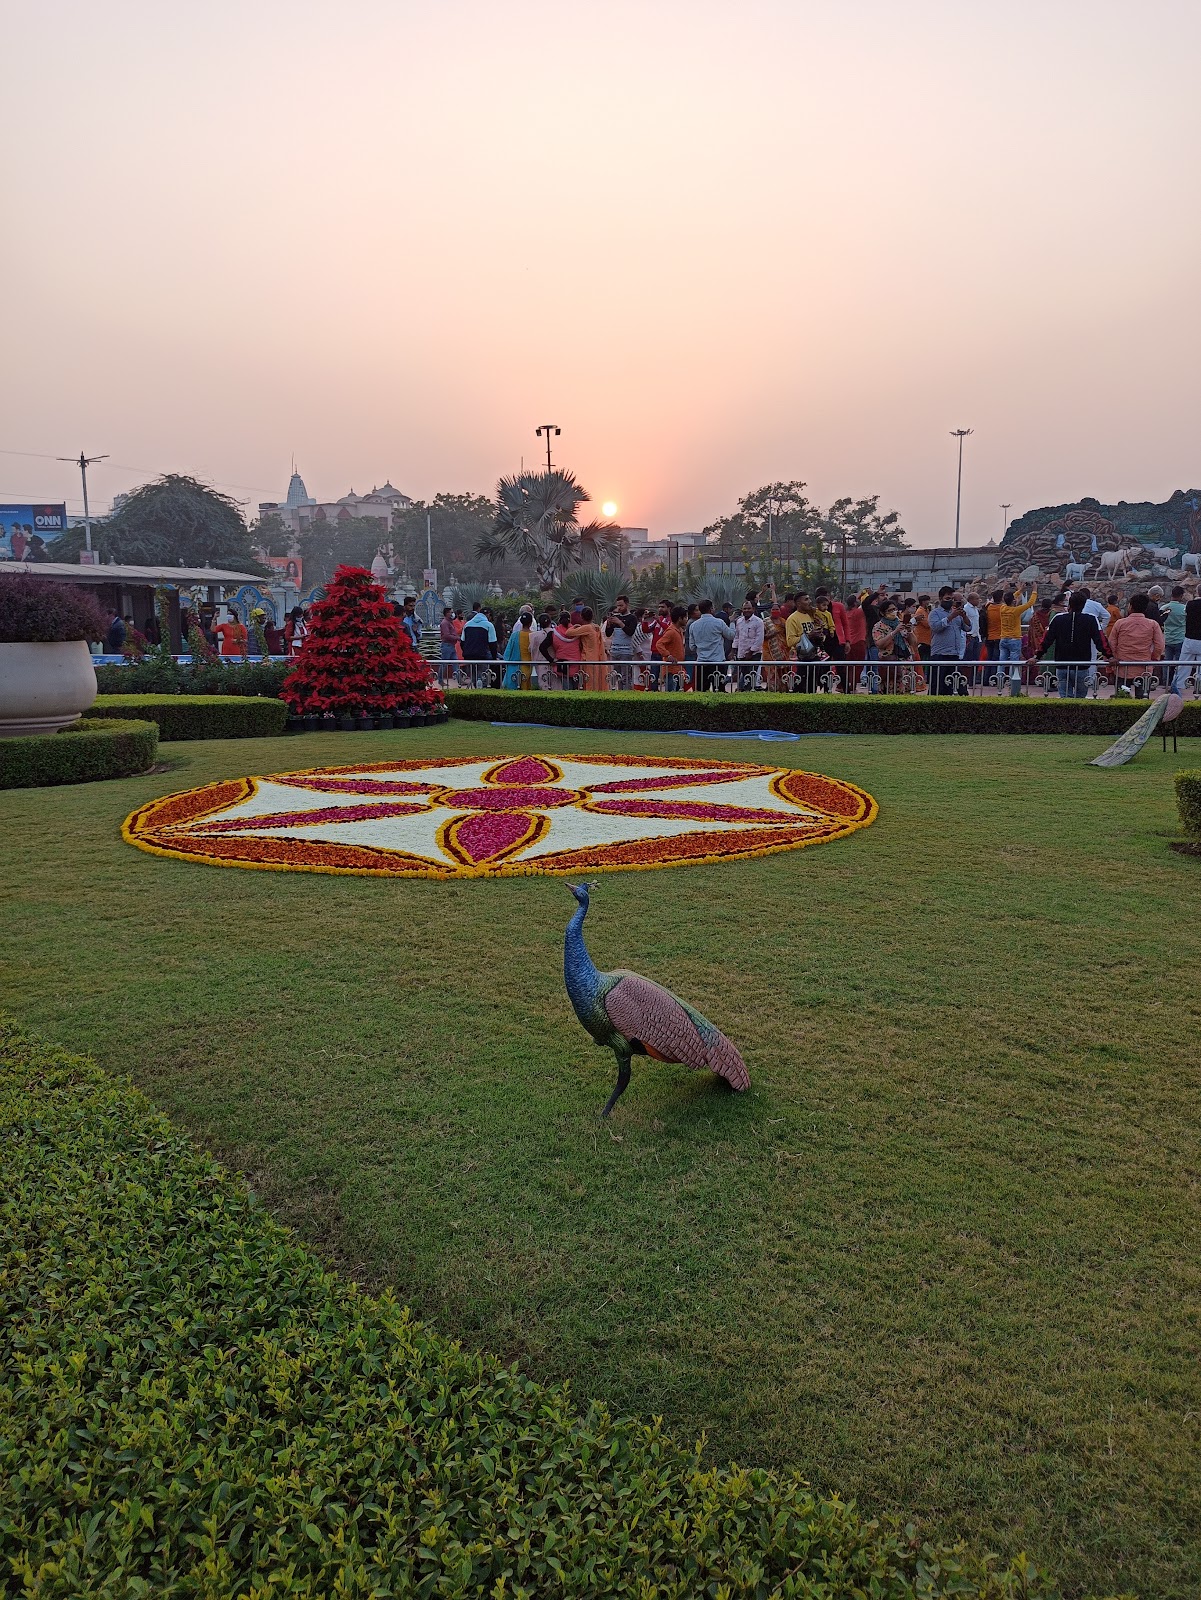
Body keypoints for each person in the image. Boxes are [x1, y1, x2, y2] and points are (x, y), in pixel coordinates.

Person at [1037, 589, 1112, 698]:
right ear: (1083, 605)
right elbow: (1100, 640)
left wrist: (1036, 656)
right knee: (1080, 699)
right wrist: (1110, 656)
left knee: (1065, 698)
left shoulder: (1058, 619)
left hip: (1062, 665)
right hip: (1081, 665)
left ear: (1069, 604)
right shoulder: (1091, 619)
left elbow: (1046, 640)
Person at [1108, 594, 1164, 692]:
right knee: (1143, 699)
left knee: (1122, 699)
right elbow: (1159, 645)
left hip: (1122, 667)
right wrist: (1153, 658)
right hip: (1144, 667)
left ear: (1130, 606)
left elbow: (1111, 643)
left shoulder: (1120, 623)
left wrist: (1114, 657)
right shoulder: (1153, 624)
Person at [927, 587, 968, 695]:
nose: (950, 601)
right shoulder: (934, 613)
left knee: (958, 686)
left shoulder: (957, 613)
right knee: (938, 687)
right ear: (941, 598)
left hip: (954, 654)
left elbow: (968, 628)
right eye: (947, 598)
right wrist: (950, 617)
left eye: (952, 599)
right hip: (940, 654)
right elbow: (936, 627)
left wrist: (964, 616)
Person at [689, 599, 734, 692]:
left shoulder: (693, 625)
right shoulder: (719, 622)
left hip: (701, 662)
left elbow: (692, 646)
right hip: (717, 662)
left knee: (701, 691)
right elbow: (731, 635)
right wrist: (732, 622)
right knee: (719, 690)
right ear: (711, 609)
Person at [996, 585, 1035, 683]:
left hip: (1003, 638)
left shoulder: (1002, 608)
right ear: (1013, 601)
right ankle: (1013, 681)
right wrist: (1034, 590)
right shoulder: (1016, 610)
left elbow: (1009, 598)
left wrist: (1021, 590)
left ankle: (999, 680)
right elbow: (1030, 603)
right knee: (1014, 662)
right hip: (1014, 639)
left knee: (1001, 662)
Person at [565, 606, 607, 690]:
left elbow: (568, 633)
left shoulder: (586, 628)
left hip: (588, 658)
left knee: (589, 682)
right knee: (596, 680)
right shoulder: (596, 627)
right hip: (598, 657)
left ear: (581, 616)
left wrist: (574, 626)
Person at [1170, 595, 1201, 696]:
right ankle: (1198, 687)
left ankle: (1177, 686)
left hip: (1189, 638)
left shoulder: (1190, 604)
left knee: (1183, 664)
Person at [604, 596, 637, 690]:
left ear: (627, 604)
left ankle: (627, 696)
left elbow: (630, 632)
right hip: (615, 651)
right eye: (618, 605)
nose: (619, 608)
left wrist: (620, 623)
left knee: (626, 677)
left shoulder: (632, 618)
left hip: (626, 651)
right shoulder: (616, 617)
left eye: (621, 605)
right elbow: (608, 633)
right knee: (616, 676)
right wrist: (609, 624)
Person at [460, 605, 497, 686]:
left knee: (474, 678)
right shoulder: (489, 625)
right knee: (483, 678)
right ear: (489, 615)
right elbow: (493, 644)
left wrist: (467, 652)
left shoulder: (467, 624)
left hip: (469, 656)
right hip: (482, 656)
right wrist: (494, 659)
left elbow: (462, 642)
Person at [733, 598, 764, 689]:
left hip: (754, 654)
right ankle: (742, 692)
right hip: (741, 654)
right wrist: (733, 650)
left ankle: (748, 694)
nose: (746, 610)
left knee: (750, 677)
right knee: (743, 674)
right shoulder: (739, 621)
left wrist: (750, 652)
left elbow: (759, 639)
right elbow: (737, 637)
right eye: (745, 609)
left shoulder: (758, 622)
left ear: (753, 609)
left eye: (748, 608)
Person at [655, 605, 687, 690]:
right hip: (671, 670)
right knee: (671, 694)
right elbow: (659, 644)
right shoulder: (671, 631)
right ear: (680, 619)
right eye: (685, 617)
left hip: (678, 668)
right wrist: (668, 655)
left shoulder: (678, 630)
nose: (686, 620)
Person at [1163, 585, 1188, 665]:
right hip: (1180, 638)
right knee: (1179, 662)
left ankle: (1166, 677)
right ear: (1181, 596)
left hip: (1167, 638)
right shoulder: (1184, 609)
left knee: (1167, 662)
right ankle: (1177, 677)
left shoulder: (1163, 608)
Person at [438, 606, 459, 682]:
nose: (453, 614)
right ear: (447, 613)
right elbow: (446, 635)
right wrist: (456, 638)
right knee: (444, 663)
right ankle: (440, 679)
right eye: (451, 612)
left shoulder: (450, 622)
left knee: (456, 662)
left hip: (451, 645)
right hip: (447, 645)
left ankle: (459, 679)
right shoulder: (445, 623)